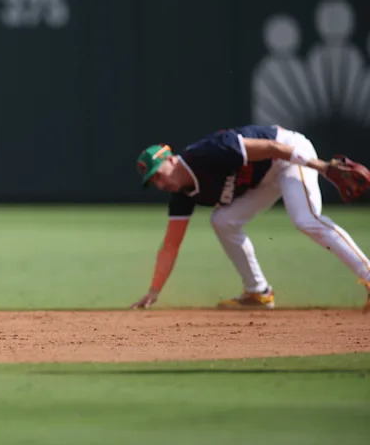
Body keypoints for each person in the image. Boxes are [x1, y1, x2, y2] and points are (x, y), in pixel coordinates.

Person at [131, 124, 370, 311]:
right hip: (265, 177)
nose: (159, 184)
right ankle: (258, 292)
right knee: (223, 221)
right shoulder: (182, 195)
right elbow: (171, 245)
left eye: (158, 175)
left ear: (171, 160)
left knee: (305, 218)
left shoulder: (208, 152)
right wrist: (154, 290)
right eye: (153, 183)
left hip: (287, 154)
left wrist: (323, 167)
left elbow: (272, 148)